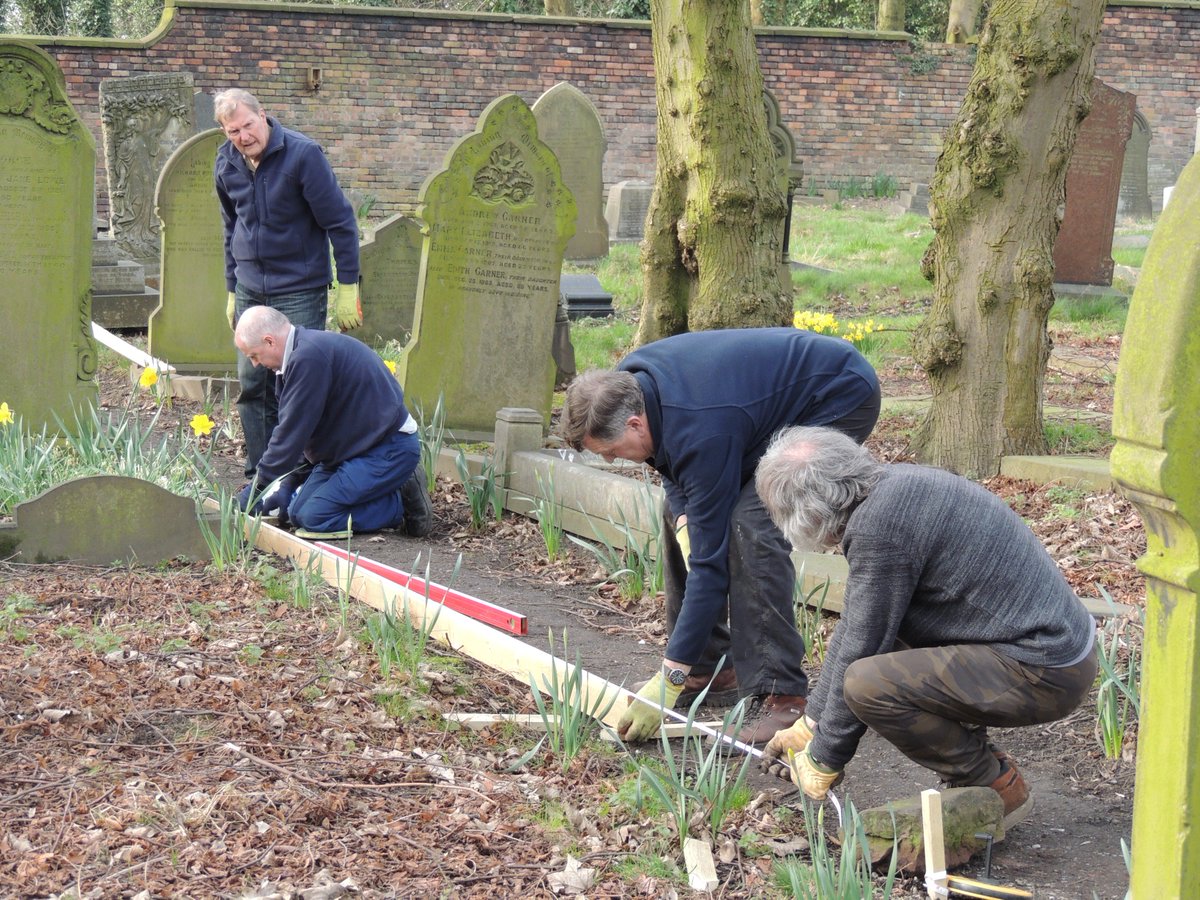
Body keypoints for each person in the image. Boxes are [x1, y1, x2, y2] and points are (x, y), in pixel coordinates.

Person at [755, 426, 1097, 828]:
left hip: (1044, 670)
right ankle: (983, 770)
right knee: (887, 651)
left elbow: (864, 645)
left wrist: (825, 756)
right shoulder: (896, 486)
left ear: (810, 512)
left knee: (869, 685)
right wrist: (811, 722)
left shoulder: (880, 529)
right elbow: (856, 627)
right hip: (1050, 649)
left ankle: (993, 785)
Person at [560, 327, 881, 744]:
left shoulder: (701, 431)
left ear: (635, 423)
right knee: (679, 513)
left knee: (752, 523)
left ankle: (781, 696)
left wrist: (668, 679)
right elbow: (668, 460)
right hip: (749, 410)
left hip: (837, 394)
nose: (611, 460)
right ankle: (710, 666)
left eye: (610, 451)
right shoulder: (627, 390)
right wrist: (683, 520)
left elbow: (709, 571)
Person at [214, 88, 363, 481]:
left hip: (299, 286)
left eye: (248, 125)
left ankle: (301, 476)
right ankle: (262, 477)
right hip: (250, 287)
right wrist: (231, 287)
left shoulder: (302, 155)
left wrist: (348, 285)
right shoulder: (226, 162)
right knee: (253, 383)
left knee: (299, 382)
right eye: (233, 131)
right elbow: (231, 228)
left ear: (262, 114)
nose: (244, 136)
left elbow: (340, 222)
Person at [232, 306, 432, 540]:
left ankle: (398, 502)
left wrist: (255, 490)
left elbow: (289, 435)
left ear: (269, 341)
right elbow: (304, 431)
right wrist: (290, 481)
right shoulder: (297, 357)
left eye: (254, 356)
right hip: (351, 449)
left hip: (386, 448)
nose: (255, 364)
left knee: (315, 518)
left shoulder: (309, 358)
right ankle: (381, 488)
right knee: (296, 513)